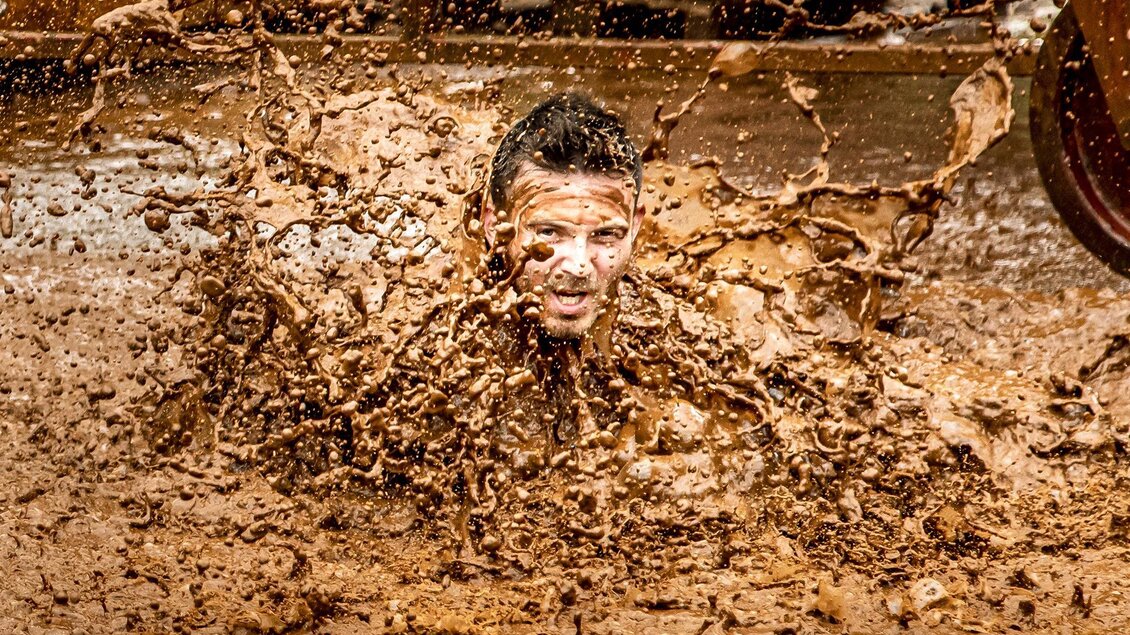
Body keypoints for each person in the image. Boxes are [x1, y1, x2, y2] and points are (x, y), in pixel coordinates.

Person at [481, 92, 645, 341]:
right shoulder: (430, 327)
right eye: (549, 233)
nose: (579, 266)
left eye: (605, 234)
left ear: (634, 227)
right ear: (494, 226)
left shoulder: (663, 334)